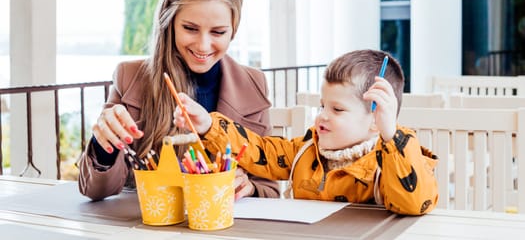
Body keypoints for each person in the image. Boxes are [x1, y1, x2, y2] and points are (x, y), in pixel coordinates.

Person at [78, 0, 280, 201]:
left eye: (218, 32)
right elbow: (94, 191)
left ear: (233, 31)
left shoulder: (254, 83)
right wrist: (104, 146)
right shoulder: (129, 78)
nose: (203, 45)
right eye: (190, 28)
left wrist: (251, 188)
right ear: (169, 22)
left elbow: (270, 189)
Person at [174, 49, 439, 215]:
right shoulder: (305, 150)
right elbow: (260, 151)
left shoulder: (390, 161)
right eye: (323, 105)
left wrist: (391, 135)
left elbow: (414, 204)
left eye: (337, 109)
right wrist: (208, 125)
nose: (322, 115)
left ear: (375, 119)